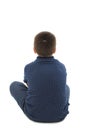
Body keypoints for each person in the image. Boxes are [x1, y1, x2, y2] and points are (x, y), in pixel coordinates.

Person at [10, 31, 70, 122]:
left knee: (14, 85)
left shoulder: (29, 67)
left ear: (34, 49)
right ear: (54, 50)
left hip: (34, 114)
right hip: (60, 115)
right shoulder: (61, 67)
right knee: (66, 87)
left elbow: (28, 85)